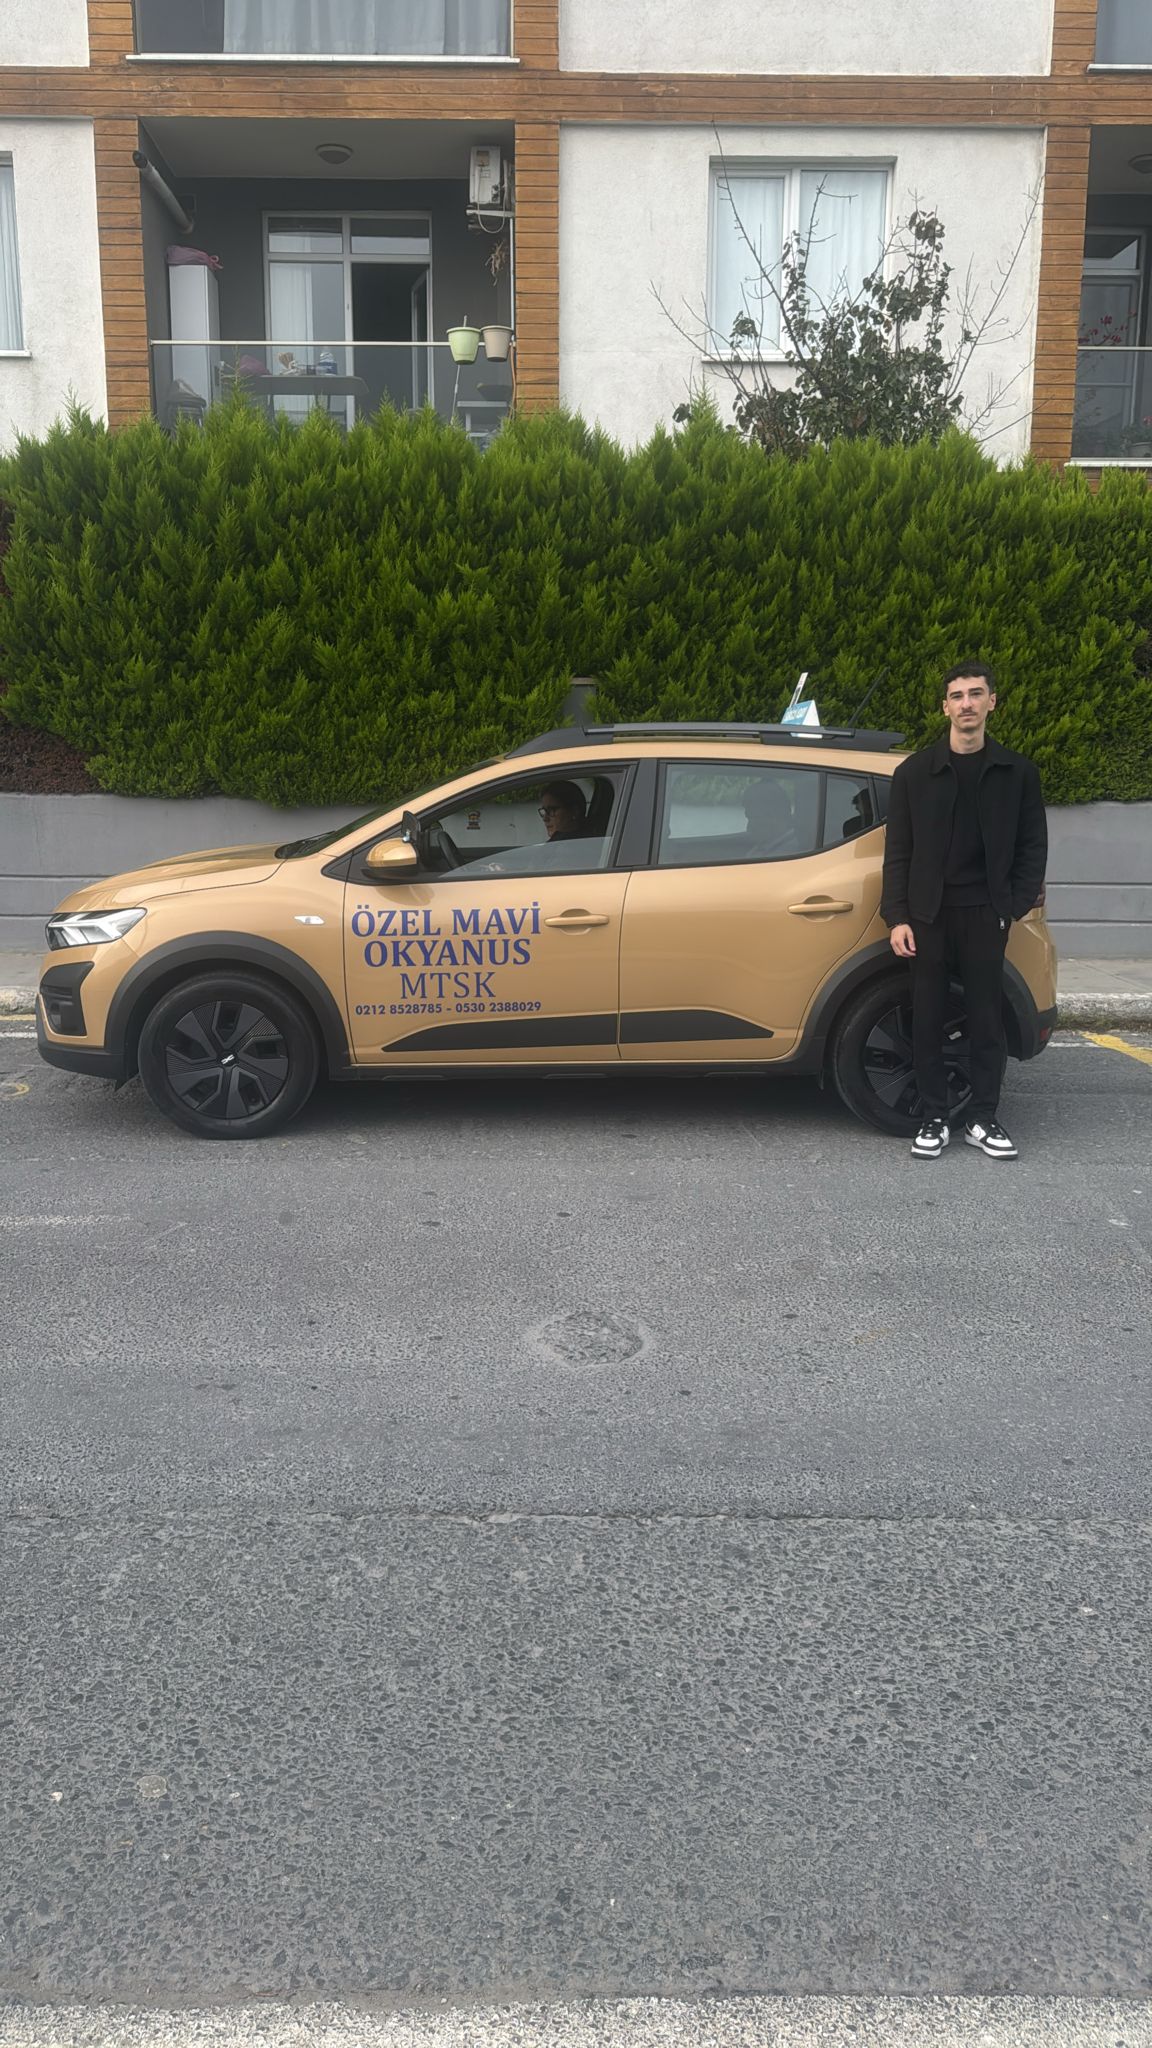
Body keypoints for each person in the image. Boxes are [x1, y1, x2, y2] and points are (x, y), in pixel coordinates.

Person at [880, 662, 1047, 1162]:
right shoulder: (914, 773)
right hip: (928, 916)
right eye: (957, 696)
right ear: (945, 707)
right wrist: (897, 916)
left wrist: (1011, 906)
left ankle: (982, 1117)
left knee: (986, 1018)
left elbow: (1032, 846)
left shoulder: (1018, 772)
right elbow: (898, 851)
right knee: (927, 1016)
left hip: (986, 914)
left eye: (976, 694)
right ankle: (934, 1116)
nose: (967, 703)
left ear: (992, 702)